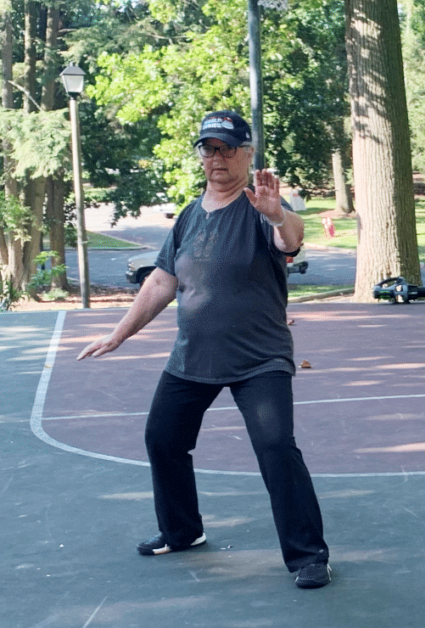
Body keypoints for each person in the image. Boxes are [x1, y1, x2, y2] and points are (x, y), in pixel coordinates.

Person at [78, 111, 332, 588]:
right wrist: (119, 333)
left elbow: (290, 238)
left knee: (277, 448)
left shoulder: (260, 207)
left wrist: (278, 213)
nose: (217, 158)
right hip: (193, 356)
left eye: (227, 148)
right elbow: (161, 281)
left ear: (248, 153)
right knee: (163, 439)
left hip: (260, 359)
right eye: (208, 149)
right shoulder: (191, 216)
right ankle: (181, 531)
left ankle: (308, 555)